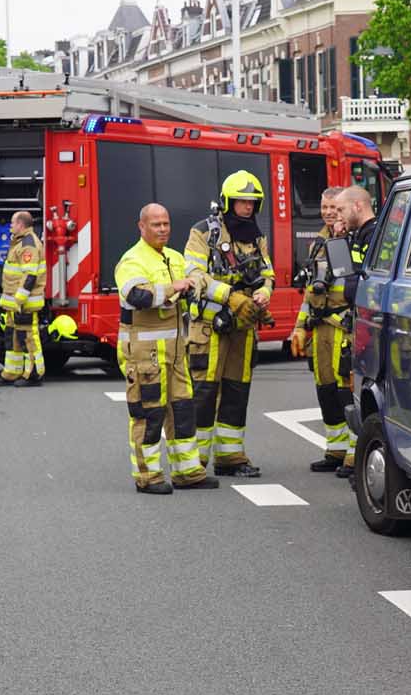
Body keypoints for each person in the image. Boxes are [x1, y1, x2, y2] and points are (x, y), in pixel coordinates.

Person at [117, 203, 226, 494]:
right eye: (156, 224)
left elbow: (196, 277)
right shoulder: (132, 260)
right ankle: (148, 477)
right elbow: (136, 296)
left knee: (182, 410)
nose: (163, 229)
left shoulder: (174, 257)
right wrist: (171, 288)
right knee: (148, 413)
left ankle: (187, 472)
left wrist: (197, 285)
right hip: (144, 354)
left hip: (176, 352)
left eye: (166, 224)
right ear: (142, 227)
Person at [185, 171, 275, 478]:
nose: (247, 208)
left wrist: (263, 293)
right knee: (205, 390)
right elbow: (195, 275)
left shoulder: (256, 236)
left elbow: (268, 273)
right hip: (209, 326)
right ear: (227, 202)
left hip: (243, 326)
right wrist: (230, 297)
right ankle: (193, 461)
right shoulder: (204, 232)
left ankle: (231, 456)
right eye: (241, 201)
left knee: (237, 390)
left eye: (252, 202)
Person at [291, 188, 354, 472]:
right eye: (325, 206)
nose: (329, 212)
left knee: (345, 391)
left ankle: (354, 453)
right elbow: (309, 291)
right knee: (325, 389)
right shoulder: (318, 242)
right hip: (320, 327)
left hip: (343, 326)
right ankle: (336, 450)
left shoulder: (353, 240)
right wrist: (299, 328)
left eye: (334, 207)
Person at [333, 186, 379, 480]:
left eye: (340, 210)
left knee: (368, 394)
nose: (337, 216)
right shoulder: (359, 236)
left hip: (372, 327)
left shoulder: (374, 235)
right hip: (361, 323)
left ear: (358, 206)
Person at [0, 210, 47, 386]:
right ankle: (12, 371)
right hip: (15, 302)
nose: (10, 226)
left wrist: (19, 300)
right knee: (13, 335)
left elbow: (30, 276)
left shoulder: (28, 244)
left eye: (13, 222)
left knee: (28, 337)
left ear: (21, 224)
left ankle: (33, 374)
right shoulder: (19, 242)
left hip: (24, 303)